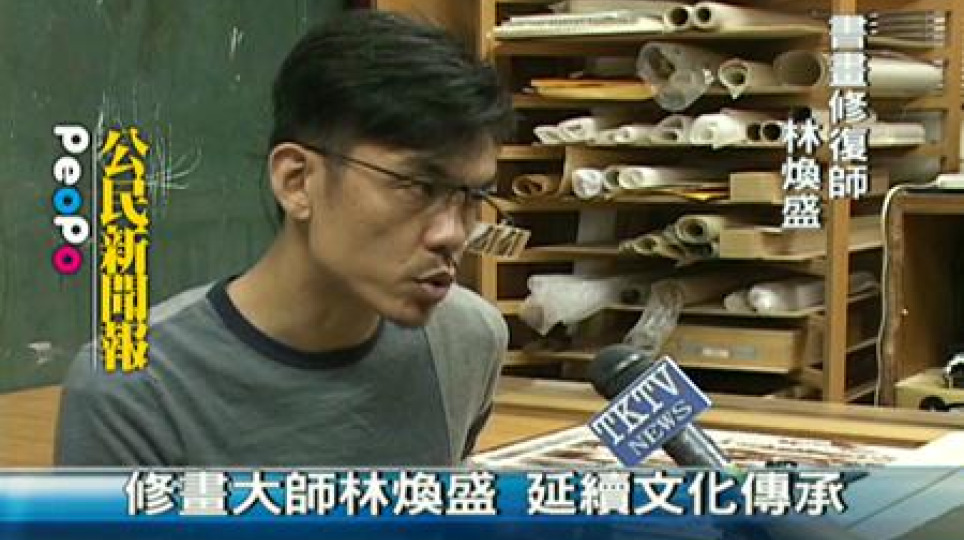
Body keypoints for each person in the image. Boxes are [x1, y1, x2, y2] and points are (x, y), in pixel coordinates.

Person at [55, 10, 515, 466]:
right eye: (417, 187)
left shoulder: (468, 340)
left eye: (472, 197)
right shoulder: (133, 388)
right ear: (297, 182)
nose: (452, 234)